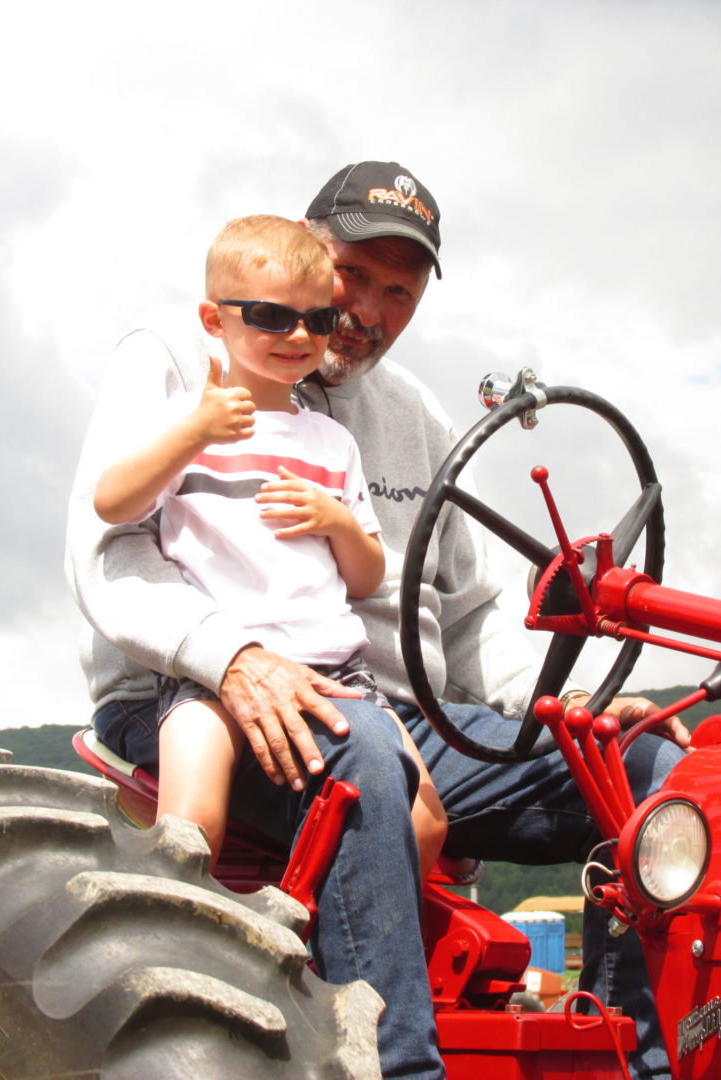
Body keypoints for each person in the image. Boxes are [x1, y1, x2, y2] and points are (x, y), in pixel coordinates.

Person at [66, 162, 686, 1080]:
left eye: (400, 292)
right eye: (353, 274)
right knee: (360, 746)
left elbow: (469, 611)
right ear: (308, 249)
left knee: (649, 774)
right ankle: (400, 1068)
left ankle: (642, 1057)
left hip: (390, 709)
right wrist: (231, 657)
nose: (365, 309)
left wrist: (573, 708)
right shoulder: (176, 357)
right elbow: (108, 552)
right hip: (196, 697)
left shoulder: (411, 417)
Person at [90, 214, 447, 873]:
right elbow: (112, 504)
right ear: (213, 318)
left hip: (337, 670)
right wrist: (195, 432)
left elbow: (367, 578)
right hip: (219, 670)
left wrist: (338, 523)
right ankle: (179, 942)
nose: (299, 336)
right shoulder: (184, 415)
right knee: (191, 820)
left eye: (316, 320)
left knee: (425, 823)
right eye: (270, 317)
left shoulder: (331, 445)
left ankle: (322, 933)